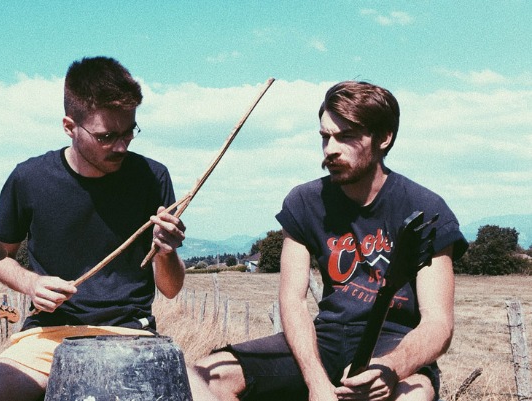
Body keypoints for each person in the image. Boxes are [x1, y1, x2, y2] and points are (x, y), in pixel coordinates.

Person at [190, 81, 468, 401]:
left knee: (413, 396)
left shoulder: (425, 209)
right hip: (326, 340)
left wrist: (391, 368)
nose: (330, 149)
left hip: (394, 341)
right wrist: (316, 382)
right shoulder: (305, 202)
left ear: (384, 138)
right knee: (201, 378)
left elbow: (438, 323)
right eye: (325, 137)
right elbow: (293, 301)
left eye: (346, 136)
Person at [0, 56, 187, 401]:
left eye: (129, 131)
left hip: (132, 337)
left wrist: (166, 253)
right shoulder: (29, 178)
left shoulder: (153, 177)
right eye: (107, 136)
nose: (122, 146)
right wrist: (32, 283)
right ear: (69, 126)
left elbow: (170, 288)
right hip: (46, 337)